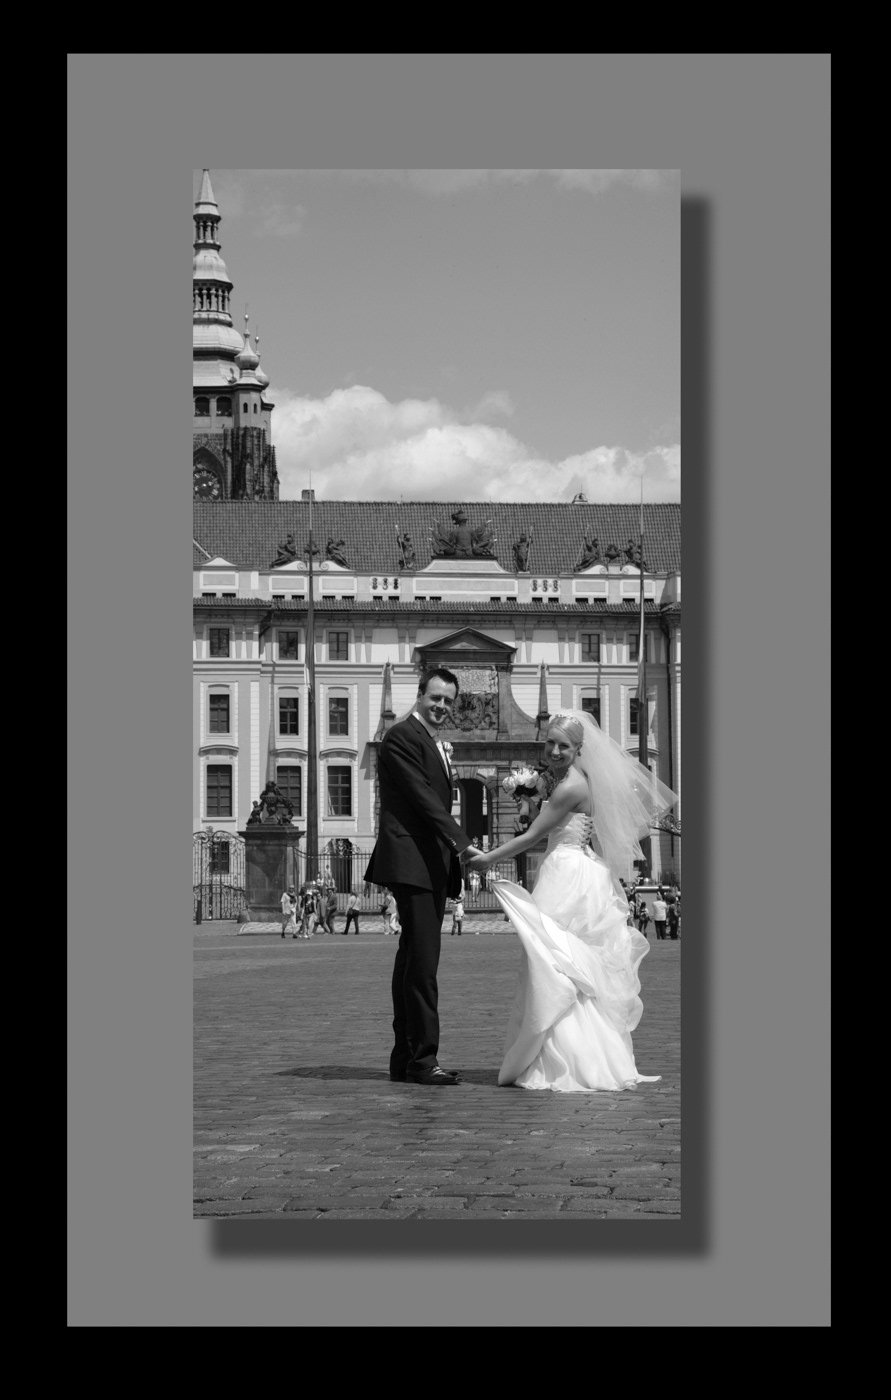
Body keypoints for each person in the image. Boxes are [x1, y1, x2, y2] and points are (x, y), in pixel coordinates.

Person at [464, 709, 677, 1093]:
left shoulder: (569, 788)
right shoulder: (574, 781)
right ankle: (576, 1053)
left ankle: (561, 1058)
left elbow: (532, 837)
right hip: (577, 868)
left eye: (564, 745)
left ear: (580, 749)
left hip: (566, 874)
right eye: (550, 743)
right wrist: (530, 801)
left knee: (554, 965)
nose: (555, 751)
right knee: (568, 965)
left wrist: (487, 859)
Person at [364, 667, 473, 1086]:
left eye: (448, 700)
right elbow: (423, 797)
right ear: (420, 694)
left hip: (425, 862)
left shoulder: (427, 739)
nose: (442, 706)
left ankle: (406, 1058)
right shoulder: (402, 736)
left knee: (412, 961)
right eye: (435, 697)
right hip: (413, 861)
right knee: (423, 964)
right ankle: (423, 1059)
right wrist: (463, 844)